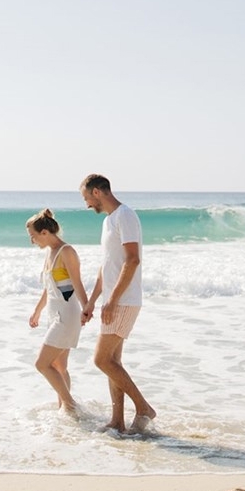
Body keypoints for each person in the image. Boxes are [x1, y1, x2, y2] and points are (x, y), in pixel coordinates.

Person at [79, 174, 156, 433]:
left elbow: (132, 260)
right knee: (113, 362)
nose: (87, 204)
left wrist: (112, 300)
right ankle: (118, 422)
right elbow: (107, 267)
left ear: (98, 192)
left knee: (101, 360)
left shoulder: (125, 216)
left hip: (124, 300)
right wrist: (92, 301)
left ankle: (143, 407)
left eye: (87, 197)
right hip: (114, 301)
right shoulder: (109, 222)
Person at [26, 208, 89, 414]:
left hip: (67, 316)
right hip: (54, 315)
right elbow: (49, 288)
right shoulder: (50, 253)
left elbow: (77, 283)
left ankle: (70, 405)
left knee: (42, 364)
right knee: (59, 366)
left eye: (33, 236)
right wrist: (37, 312)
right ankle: (64, 410)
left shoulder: (66, 252)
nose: (32, 241)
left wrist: (87, 307)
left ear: (45, 232)